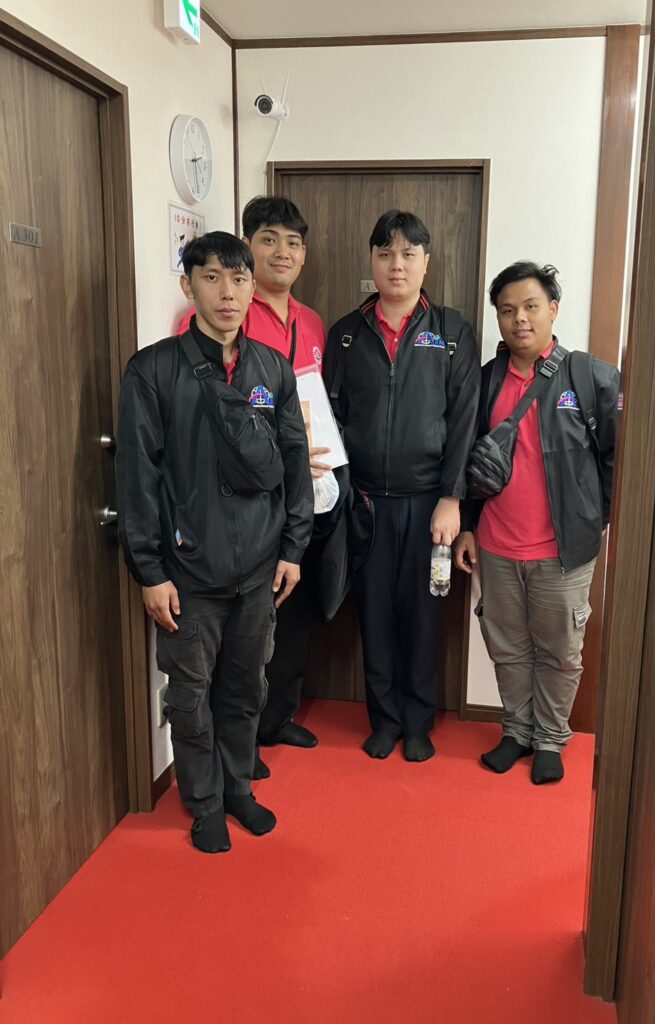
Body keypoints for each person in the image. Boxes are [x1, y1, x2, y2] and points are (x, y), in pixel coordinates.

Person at [117, 231, 313, 852]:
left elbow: (295, 461)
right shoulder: (153, 370)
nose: (227, 293)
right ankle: (203, 802)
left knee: (246, 685)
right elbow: (137, 477)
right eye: (212, 278)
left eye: (238, 279)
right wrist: (149, 571)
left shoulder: (272, 369)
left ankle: (238, 789)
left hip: (259, 566)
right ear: (189, 285)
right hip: (188, 570)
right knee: (190, 694)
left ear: (252, 289)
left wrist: (293, 549)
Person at [324, 210, 481, 762]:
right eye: (386, 253)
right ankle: (384, 720)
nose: (397, 264)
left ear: (426, 262)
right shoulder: (346, 334)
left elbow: (465, 421)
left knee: (422, 616)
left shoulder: (452, 333)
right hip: (365, 504)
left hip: (429, 506)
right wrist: (340, 495)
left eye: (408, 254)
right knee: (374, 615)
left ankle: (418, 721)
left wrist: (451, 499)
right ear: (372, 260)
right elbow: (332, 418)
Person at [179, 197, 328, 775]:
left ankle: (271, 722)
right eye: (269, 239)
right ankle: (227, 759)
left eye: (293, 242)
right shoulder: (216, 321)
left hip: (294, 496)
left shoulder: (310, 323)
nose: (282, 252)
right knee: (223, 647)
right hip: (219, 519)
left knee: (285, 620)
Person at [454, 261, 619, 784]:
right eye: (507, 311)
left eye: (530, 307)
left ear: (553, 309)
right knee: (507, 647)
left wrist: (596, 519)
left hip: (562, 551)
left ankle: (550, 738)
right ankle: (517, 730)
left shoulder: (589, 377)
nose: (519, 319)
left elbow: (618, 459)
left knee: (560, 651)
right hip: (497, 545)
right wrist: (467, 525)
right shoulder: (484, 381)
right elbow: (469, 463)